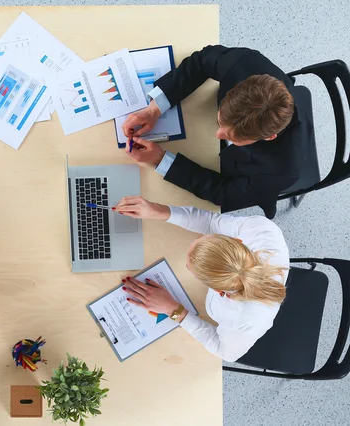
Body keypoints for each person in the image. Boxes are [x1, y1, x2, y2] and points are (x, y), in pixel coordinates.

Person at [121, 45, 308, 218]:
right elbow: (201, 62)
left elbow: (223, 193)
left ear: (269, 137)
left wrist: (161, 160)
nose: (218, 134)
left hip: (247, 174)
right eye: (220, 121)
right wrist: (155, 108)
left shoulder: (282, 171)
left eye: (231, 137)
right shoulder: (242, 62)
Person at [114, 196, 289, 362]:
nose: (199, 236)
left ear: (218, 291)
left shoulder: (244, 321)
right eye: (202, 239)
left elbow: (225, 352)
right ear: (235, 240)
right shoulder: (261, 229)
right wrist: (158, 211)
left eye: (188, 267)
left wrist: (175, 310)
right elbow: (211, 222)